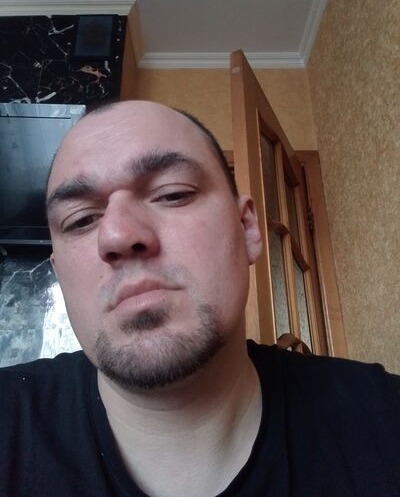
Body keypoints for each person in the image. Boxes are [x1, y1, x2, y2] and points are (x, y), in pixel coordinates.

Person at [0, 100, 399, 497]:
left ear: (246, 228)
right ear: (59, 273)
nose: (117, 235)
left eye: (172, 194)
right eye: (81, 220)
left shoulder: (384, 419)